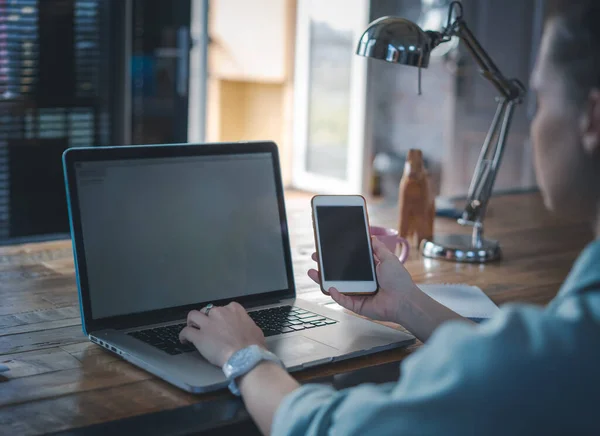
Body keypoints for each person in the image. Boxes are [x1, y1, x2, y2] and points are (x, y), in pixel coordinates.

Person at [179, 1, 600, 434]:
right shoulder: (565, 338)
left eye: (541, 100)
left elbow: (329, 428)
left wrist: (244, 356)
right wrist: (406, 302)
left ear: (591, 119)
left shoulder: (570, 346)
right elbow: (517, 369)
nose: (532, 125)